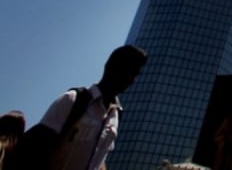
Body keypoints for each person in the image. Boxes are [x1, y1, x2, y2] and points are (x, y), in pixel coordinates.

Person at [18, 44, 147, 170]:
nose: (131, 80)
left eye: (135, 75)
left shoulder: (116, 116)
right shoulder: (72, 100)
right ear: (112, 68)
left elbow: (99, 160)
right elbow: (34, 149)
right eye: (129, 72)